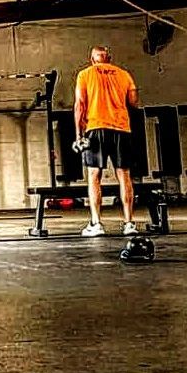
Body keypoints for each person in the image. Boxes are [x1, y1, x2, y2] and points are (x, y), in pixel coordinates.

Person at [73, 45, 140, 237]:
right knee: (124, 176)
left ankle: (96, 224)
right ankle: (129, 224)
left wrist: (79, 135)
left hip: (96, 128)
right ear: (108, 58)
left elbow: (79, 105)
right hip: (121, 128)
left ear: (92, 59)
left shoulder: (84, 74)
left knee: (94, 176)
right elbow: (134, 102)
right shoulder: (124, 74)